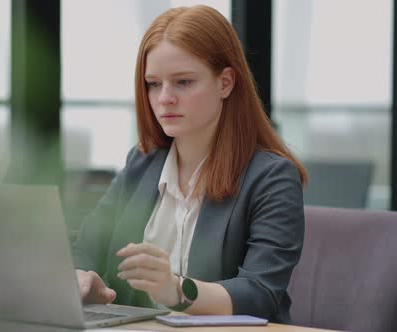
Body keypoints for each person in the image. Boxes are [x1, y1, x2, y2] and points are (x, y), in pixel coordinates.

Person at [71, 5, 307, 324]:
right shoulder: (141, 164)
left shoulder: (271, 177)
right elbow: (85, 245)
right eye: (153, 84)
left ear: (225, 83)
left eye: (182, 82)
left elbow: (260, 293)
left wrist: (176, 289)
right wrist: (82, 279)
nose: (164, 97)